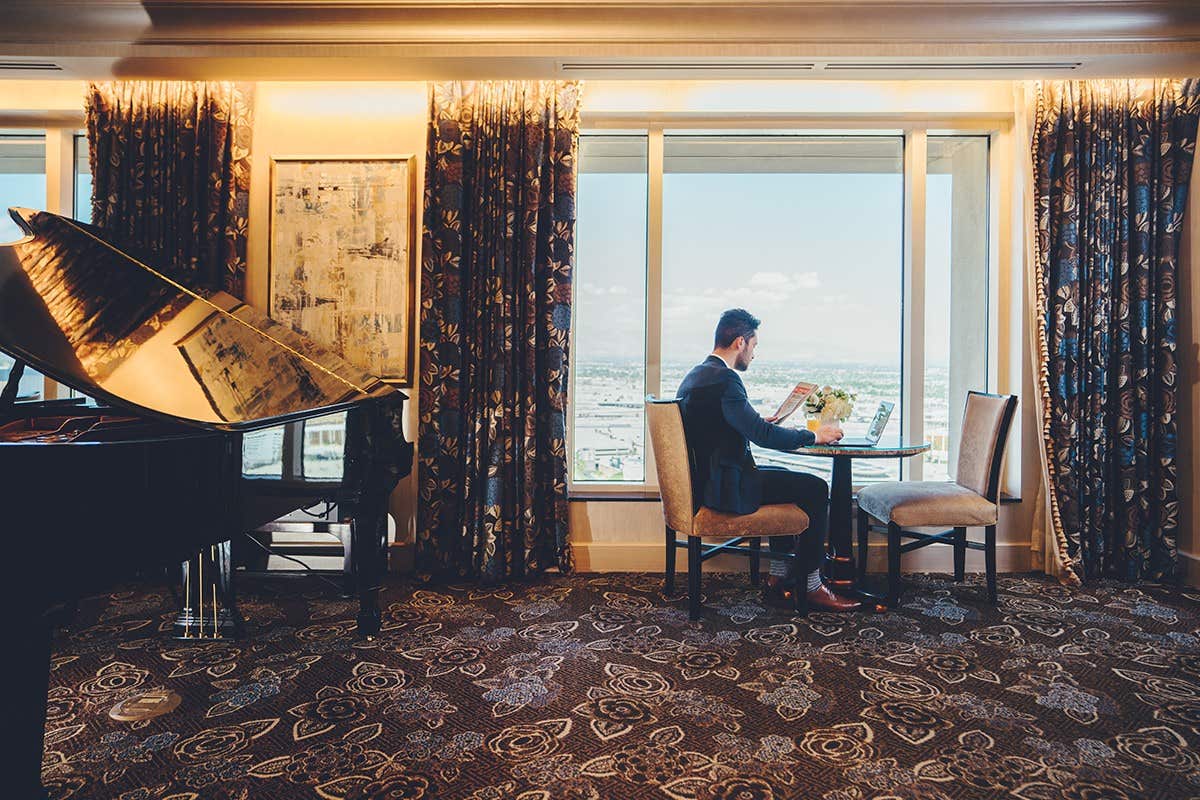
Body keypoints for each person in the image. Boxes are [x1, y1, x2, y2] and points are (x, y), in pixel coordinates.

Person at [675, 308, 861, 612]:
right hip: (726, 488)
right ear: (740, 343)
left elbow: (715, 425)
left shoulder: (697, 375)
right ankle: (812, 585)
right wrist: (815, 436)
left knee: (784, 475)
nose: (753, 354)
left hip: (710, 479)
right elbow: (763, 437)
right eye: (754, 346)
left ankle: (778, 576)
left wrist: (755, 420)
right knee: (814, 488)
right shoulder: (727, 380)